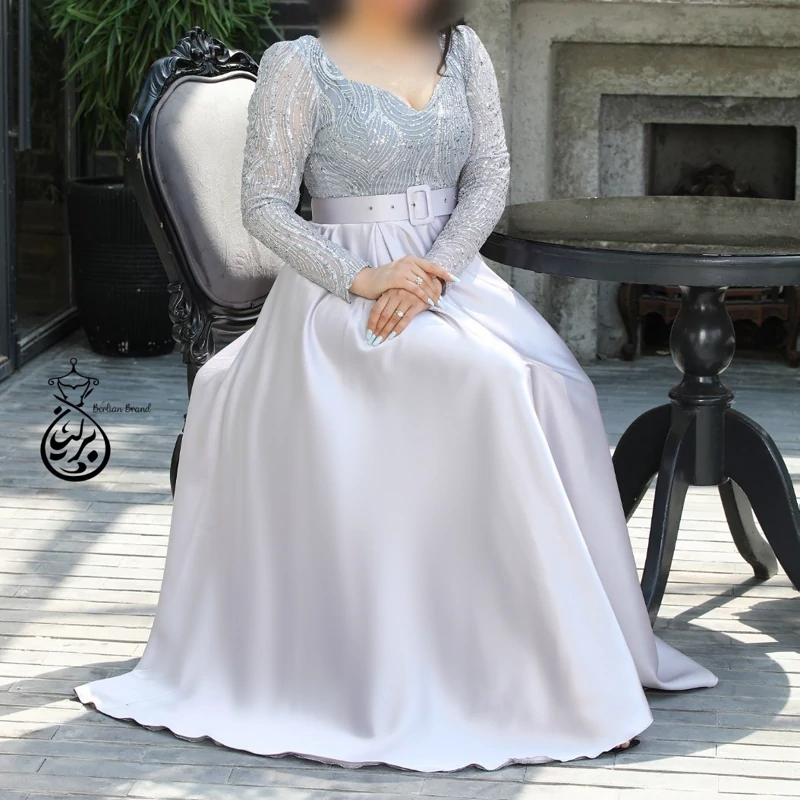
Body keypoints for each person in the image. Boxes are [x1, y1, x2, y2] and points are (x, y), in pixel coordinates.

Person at [75, 0, 717, 772]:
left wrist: (433, 273)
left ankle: (562, 659)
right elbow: (264, 207)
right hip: (340, 297)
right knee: (489, 386)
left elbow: (490, 176)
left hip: (448, 276)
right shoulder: (297, 64)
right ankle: (508, 679)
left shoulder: (462, 48)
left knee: (558, 384)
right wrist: (365, 278)